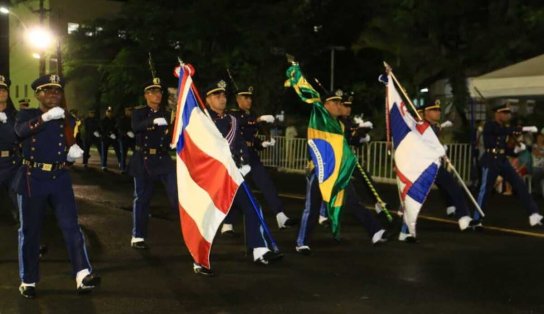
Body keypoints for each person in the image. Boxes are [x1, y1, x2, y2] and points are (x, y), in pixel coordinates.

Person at [13, 74, 100, 298]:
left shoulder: (67, 119)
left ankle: (82, 273)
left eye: (57, 91)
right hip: (33, 177)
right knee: (30, 231)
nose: (53, 94)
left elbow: (65, 146)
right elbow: (20, 132)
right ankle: (28, 279)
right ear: (37, 95)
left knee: (71, 226)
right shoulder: (27, 114)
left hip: (59, 177)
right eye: (47, 90)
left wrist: (72, 155)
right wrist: (46, 118)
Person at [194, 79, 282, 275]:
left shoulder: (232, 120)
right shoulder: (202, 120)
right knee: (208, 217)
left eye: (224, 95)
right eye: (217, 95)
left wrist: (244, 162)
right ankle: (199, 259)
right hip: (212, 176)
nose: (222, 98)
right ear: (207, 99)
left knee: (253, 207)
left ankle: (259, 250)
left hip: (233, 173)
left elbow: (240, 143)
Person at [295, 89, 387, 255]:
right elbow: (309, 94)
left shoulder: (341, 124)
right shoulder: (319, 118)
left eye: (340, 103)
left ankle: (375, 231)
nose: (339, 106)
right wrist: (295, 70)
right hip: (320, 171)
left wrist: (361, 134)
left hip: (337, 172)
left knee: (353, 201)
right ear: (326, 105)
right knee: (312, 207)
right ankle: (302, 242)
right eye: (335, 103)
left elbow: (349, 139)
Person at [397, 99, 477, 241]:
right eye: (434, 110)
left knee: (453, 187)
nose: (438, 112)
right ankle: (405, 231)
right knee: (413, 198)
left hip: (435, 166)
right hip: (421, 168)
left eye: (439, 110)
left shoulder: (432, 126)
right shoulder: (419, 126)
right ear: (426, 112)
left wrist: (441, 150)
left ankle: (464, 217)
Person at [226, 85, 296, 231]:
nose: (249, 100)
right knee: (237, 190)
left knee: (267, 184)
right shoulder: (233, 115)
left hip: (251, 155)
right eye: (245, 97)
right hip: (237, 156)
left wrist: (263, 144)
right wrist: (258, 120)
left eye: (250, 97)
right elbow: (238, 126)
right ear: (238, 99)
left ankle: (280, 216)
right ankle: (228, 223)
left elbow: (253, 139)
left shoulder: (252, 115)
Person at [127, 77, 178, 249]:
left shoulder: (168, 112)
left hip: (163, 159)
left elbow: (173, 132)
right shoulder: (139, 112)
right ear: (146, 95)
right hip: (144, 158)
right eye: (153, 92)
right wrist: (152, 121)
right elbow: (136, 127)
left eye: (159, 92)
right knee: (142, 198)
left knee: (176, 194)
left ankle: (189, 231)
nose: (157, 95)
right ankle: (138, 235)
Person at [474, 103, 542, 228]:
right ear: (497, 113)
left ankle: (534, 214)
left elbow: (503, 147)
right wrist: (523, 129)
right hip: (490, 160)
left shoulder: (504, 127)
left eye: (507, 113)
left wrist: (515, 151)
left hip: (502, 159)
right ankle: (477, 219)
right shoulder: (490, 125)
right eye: (504, 113)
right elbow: (499, 131)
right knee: (485, 190)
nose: (507, 115)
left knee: (520, 184)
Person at [0, 75, 21, 223]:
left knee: (19, 197)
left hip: (13, 162)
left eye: (4, 89)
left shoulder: (15, 115)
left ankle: (29, 239)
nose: (2, 93)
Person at [99, 106, 121, 171]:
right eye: (108, 112)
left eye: (111, 112)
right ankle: (104, 165)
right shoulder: (103, 120)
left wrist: (116, 135)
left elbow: (116, 128)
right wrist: (109, 134)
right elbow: (102, 130)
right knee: (104, 152)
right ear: (106, 112)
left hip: (113, 138)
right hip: (105, 138)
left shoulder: (114, 120)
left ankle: (120, 162)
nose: (110, 113)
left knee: (118, 151)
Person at [117, 106, 135, 173]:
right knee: (123, 154)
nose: (130, 112)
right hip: (124, 139)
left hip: (133, 139)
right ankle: (123, 168)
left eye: (131, 111)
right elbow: (119, 129)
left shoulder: (134, 119)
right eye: (129, 111)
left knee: (136, 153)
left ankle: (132, 167)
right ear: (126, 111)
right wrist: (126, 133)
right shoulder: (122, 119)